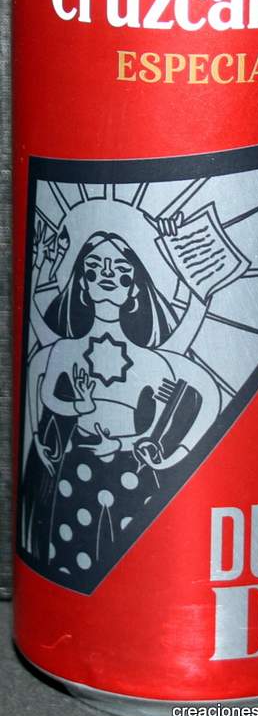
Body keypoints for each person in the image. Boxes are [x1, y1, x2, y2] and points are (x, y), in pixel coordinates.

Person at [21, 228, 220, 586]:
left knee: (141, 571)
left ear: (133, 289)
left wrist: (153, 453)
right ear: (83, 285)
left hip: (134, 475)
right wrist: (77, 407)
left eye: (122, 270)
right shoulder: (65, 349)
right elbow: (46, 391)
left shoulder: (155, 362)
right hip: (75, 469)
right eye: (94, 267)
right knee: (71, 555)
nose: (108, 275)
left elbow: (189, 404)